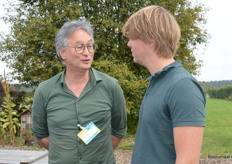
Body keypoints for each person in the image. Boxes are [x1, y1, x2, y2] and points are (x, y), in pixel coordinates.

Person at [31, 19, 127, 164]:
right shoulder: (44, 90)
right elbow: (40, 133)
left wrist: (99, 155)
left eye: (90, 46)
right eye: (80, 47)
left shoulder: (111, 86)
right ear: (62, 52)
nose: (87, 53)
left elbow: (119, 131)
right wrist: (64, 152)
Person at [122, 5, 206, 164]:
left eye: (133, 38)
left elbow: (187, 161)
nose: (129, 44)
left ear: (151, 40)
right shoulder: (157, 82)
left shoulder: (183, 87)